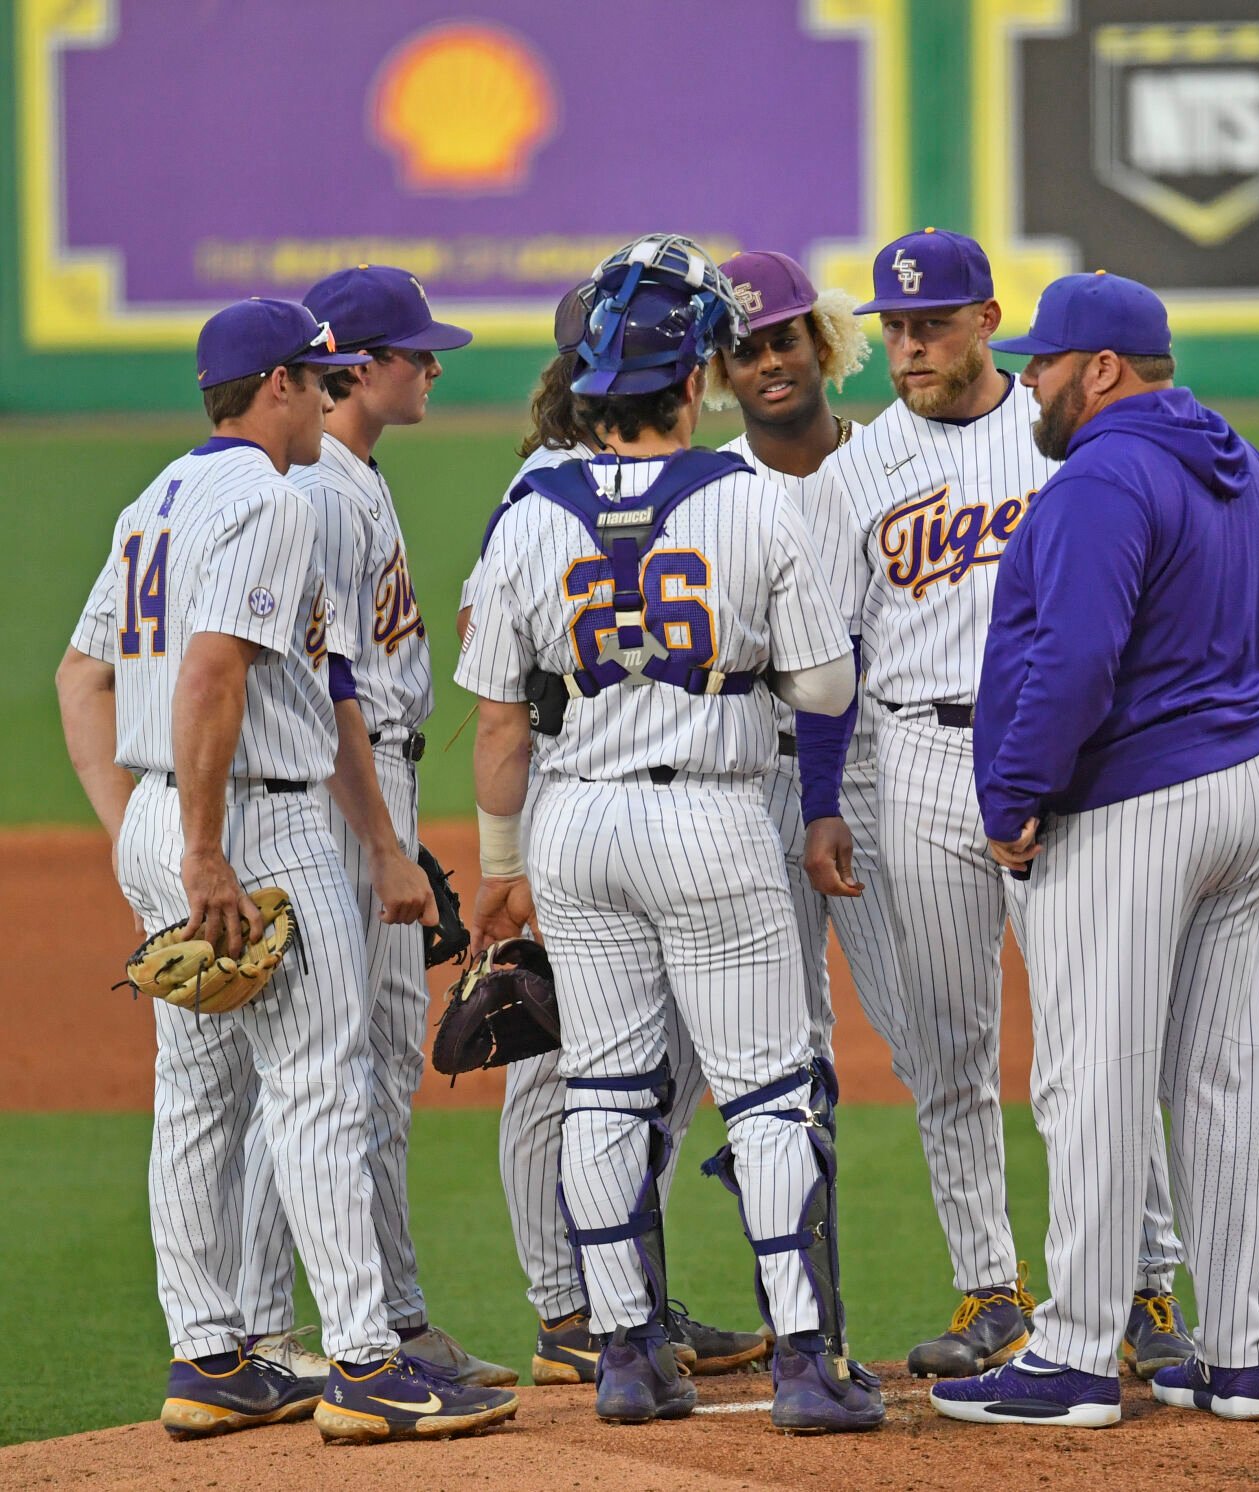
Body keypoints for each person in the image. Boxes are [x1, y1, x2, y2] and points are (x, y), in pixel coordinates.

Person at [55, 299, 519, 1444]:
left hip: (175, 818)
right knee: (318, 1089)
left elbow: (82, 676)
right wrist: (206, 847)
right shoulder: (269, 500)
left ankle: (212, 1355)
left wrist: (146, 834)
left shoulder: (155, 498)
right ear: (272, 387)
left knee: (197, 1096)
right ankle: (365, 1361)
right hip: (251, 826)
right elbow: (214, 672)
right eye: (317, 380)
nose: (329, 394)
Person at [455, 234, 884, 1433]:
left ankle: (626, 1356)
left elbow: (497, 722)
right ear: (693, 381)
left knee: (602, 1087)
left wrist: (500, 868)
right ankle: (806, 1361)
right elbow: (826, 687)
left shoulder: (528, 507)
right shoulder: (750, 499)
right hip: (710, 815)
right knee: (767, 1087)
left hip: (573, 824)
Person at [926, 271, 1259, 1429]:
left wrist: (1016, 797)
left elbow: (1078, 655)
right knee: (1217, 1079)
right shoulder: (1229, 453)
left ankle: (1076, 1357)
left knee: (1091, 1078)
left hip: (1133, 808)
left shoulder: (1103, 474)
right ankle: (1242, 1356)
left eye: (1045, 364)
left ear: (1100, 369)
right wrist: (1229, 703)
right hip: (1245, 792)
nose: (1030, 384)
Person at [804, 230, 1190, 1379]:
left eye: (933, 323)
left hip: (1068, 761)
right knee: (946, 1047)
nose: (911, 345)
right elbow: (830, 660)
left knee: (1094, 1036)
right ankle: (991, 1290)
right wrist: (825, 798)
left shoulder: (1065, 436)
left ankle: (1146, 1287)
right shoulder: (852, 476)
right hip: (919, 761)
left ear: (987, 318)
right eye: (895, 328)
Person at [459, 285, 771, 1385]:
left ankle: (621, 1290)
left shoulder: (607, 481)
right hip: (572, 788)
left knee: (651, 1065)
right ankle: (570, 1306)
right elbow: (489, 655)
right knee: (562, 1065)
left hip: (611, 798)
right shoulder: (542, 488)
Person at [228, 266, 517, 1390]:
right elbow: (331, 680)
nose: (434, 368)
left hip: (377, 787)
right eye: (417, 353)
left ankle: (394, 1316)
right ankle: (256, 1328)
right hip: (346, 795)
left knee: (379, 1057)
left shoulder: (354, 476)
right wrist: (382, 843)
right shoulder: (320, 495)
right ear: (358, 364)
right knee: (316, 1066)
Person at [706, 249, 909, 1070]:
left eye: (782, 341)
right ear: (721, 370)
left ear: (822, 342)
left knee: (933, 1043)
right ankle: (804, 1206)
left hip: (881, 779)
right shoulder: (708, 490)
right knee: (778, 1057)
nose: (768, 364)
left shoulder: (895, 470)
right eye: (745, 350)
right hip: (750, 788)